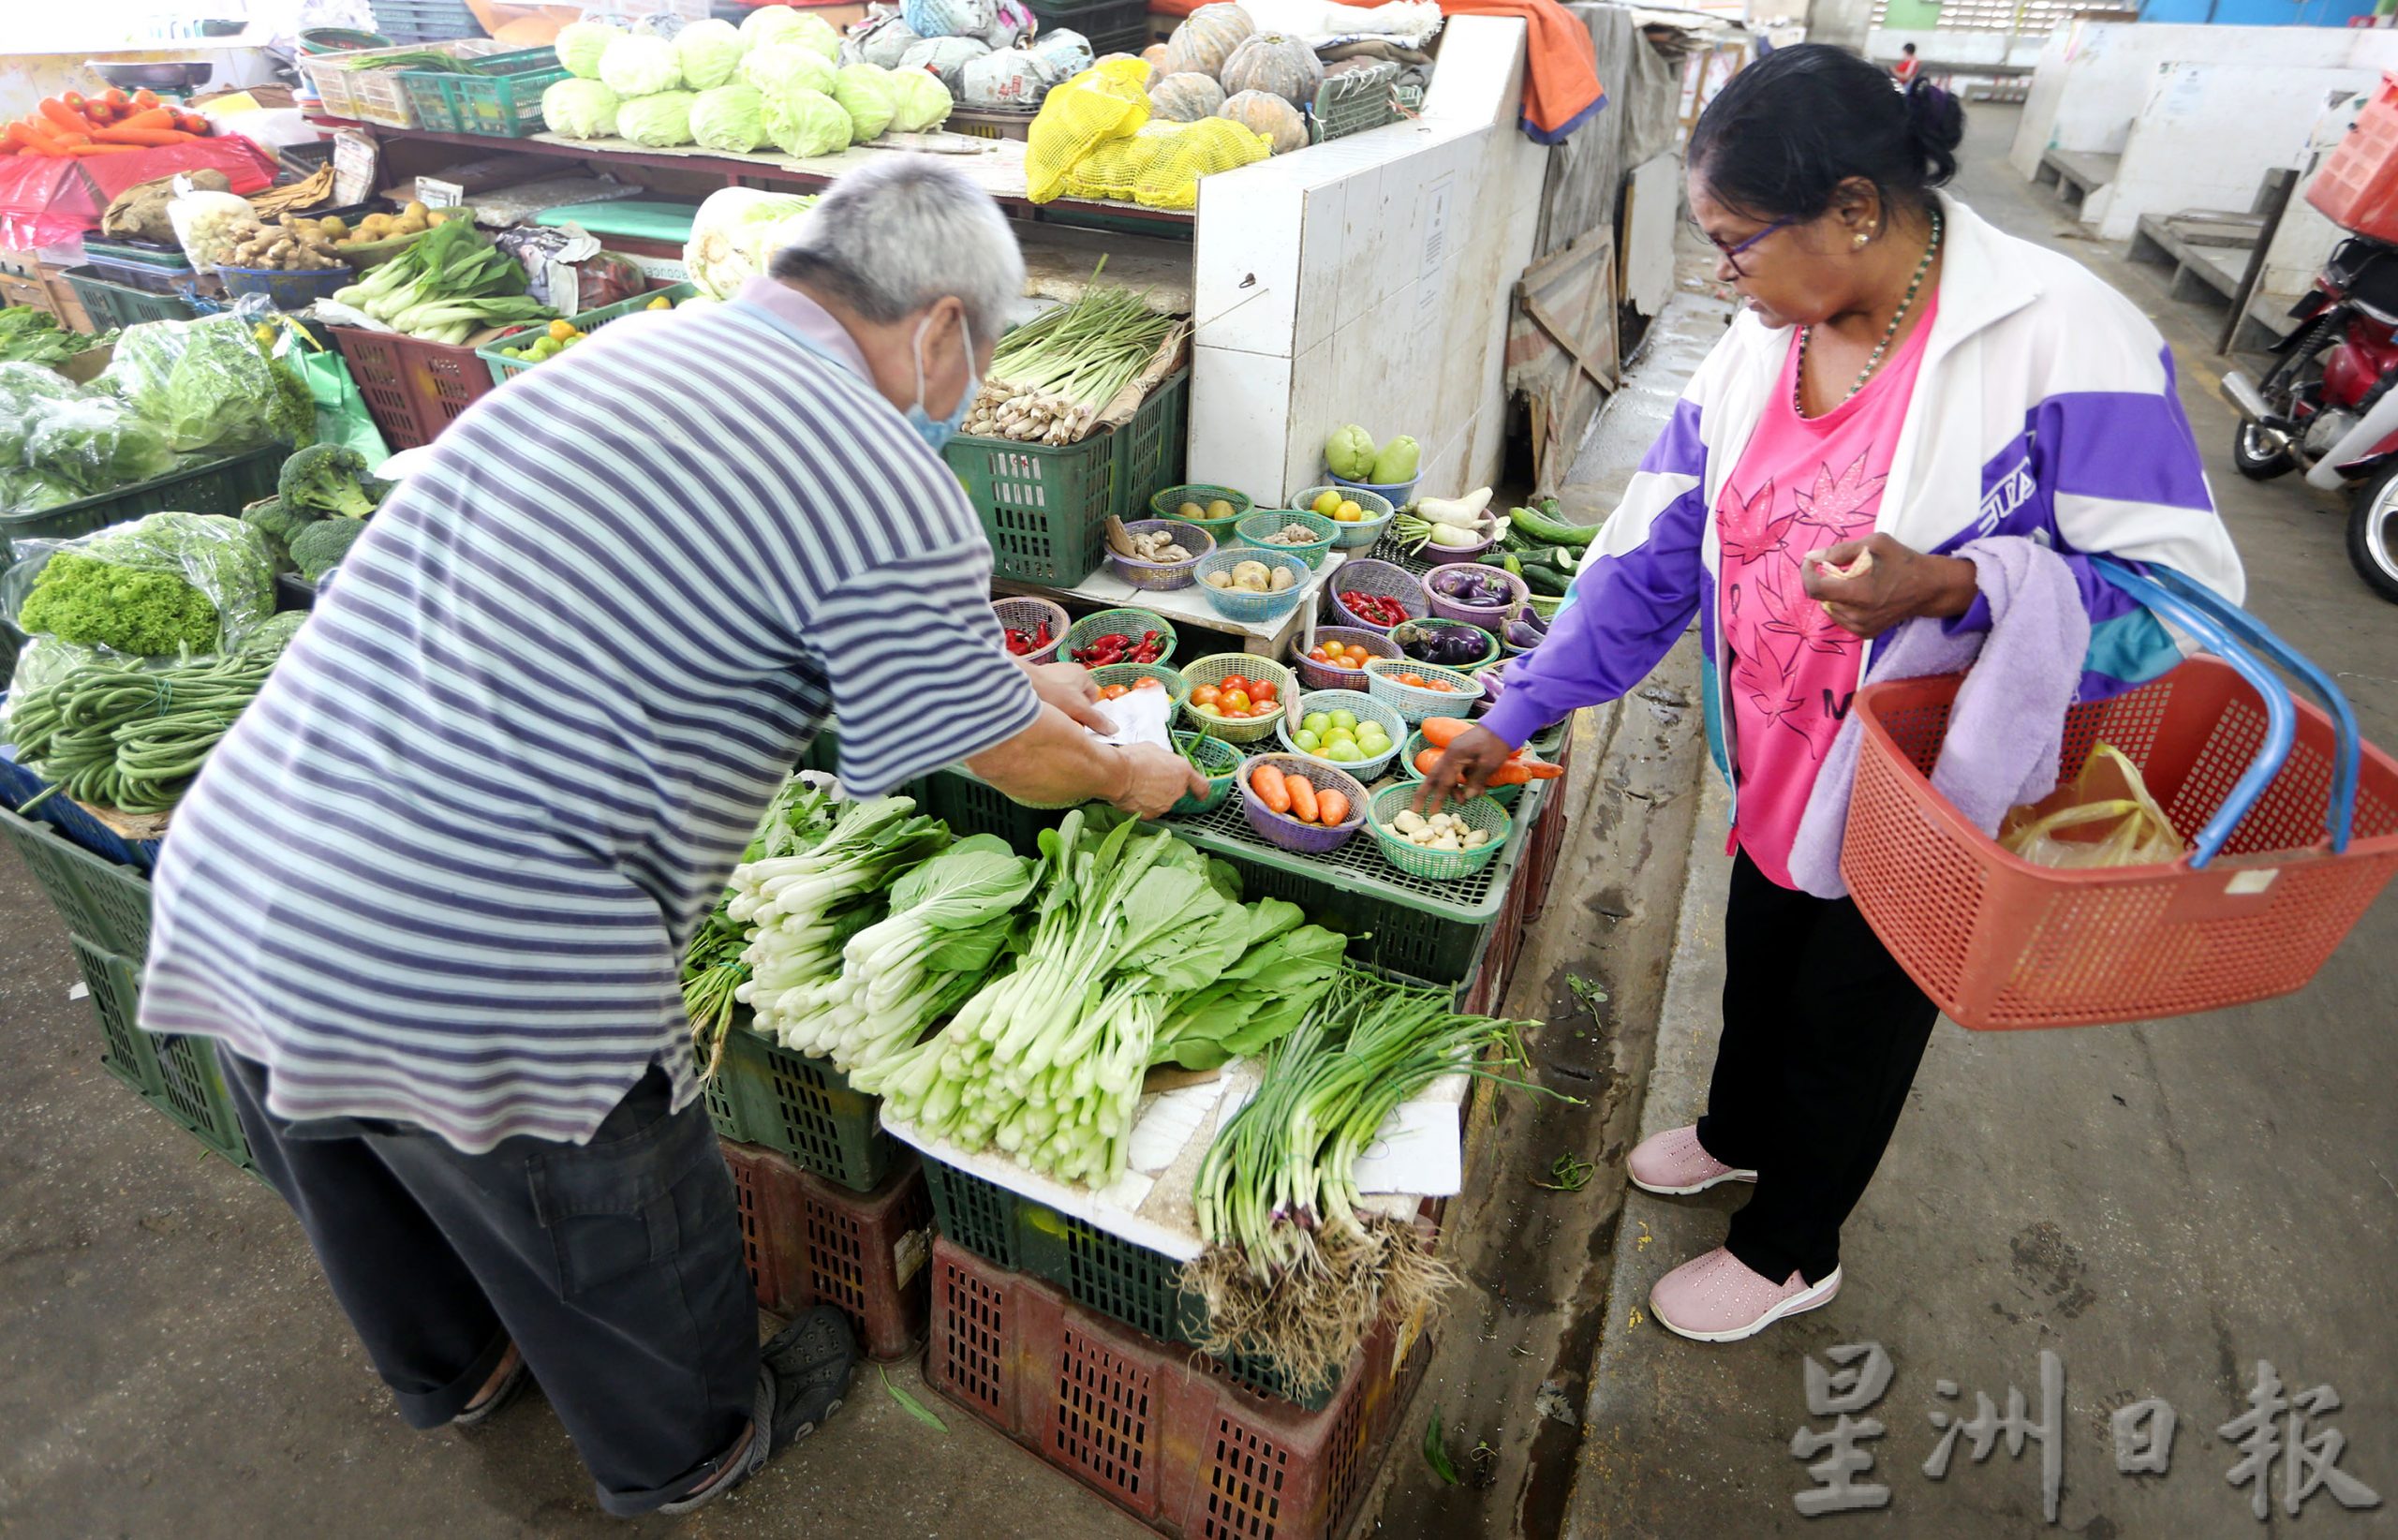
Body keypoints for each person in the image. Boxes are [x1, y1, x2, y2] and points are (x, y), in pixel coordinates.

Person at [139, 155, 1206, 1515]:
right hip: (479, 958)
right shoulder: (875, 464)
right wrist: (1123, 776)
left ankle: (454, 1373)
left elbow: (879, 660)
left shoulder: (618, 362)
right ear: (942, 326)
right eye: (980, 359)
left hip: (245, 861)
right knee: (623, 1207)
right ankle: (696, 1445)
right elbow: (1017, 763)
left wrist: (1019, 689)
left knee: (347, 1147)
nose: (967, 394)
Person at [1422, 48, 2243, 1343]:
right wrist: (1515, 710)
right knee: (1765, 952)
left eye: (1738, 244)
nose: (1720, 277)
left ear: (1856, 210)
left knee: (1855, 1013)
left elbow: (2188, 611)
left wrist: (1959, 589)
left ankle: (1796, 1244)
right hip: (1772, 746)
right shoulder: (1762, 351)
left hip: (1929, 782)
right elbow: (1648, 559)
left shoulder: (2062, 335)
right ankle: (1745, 1133)